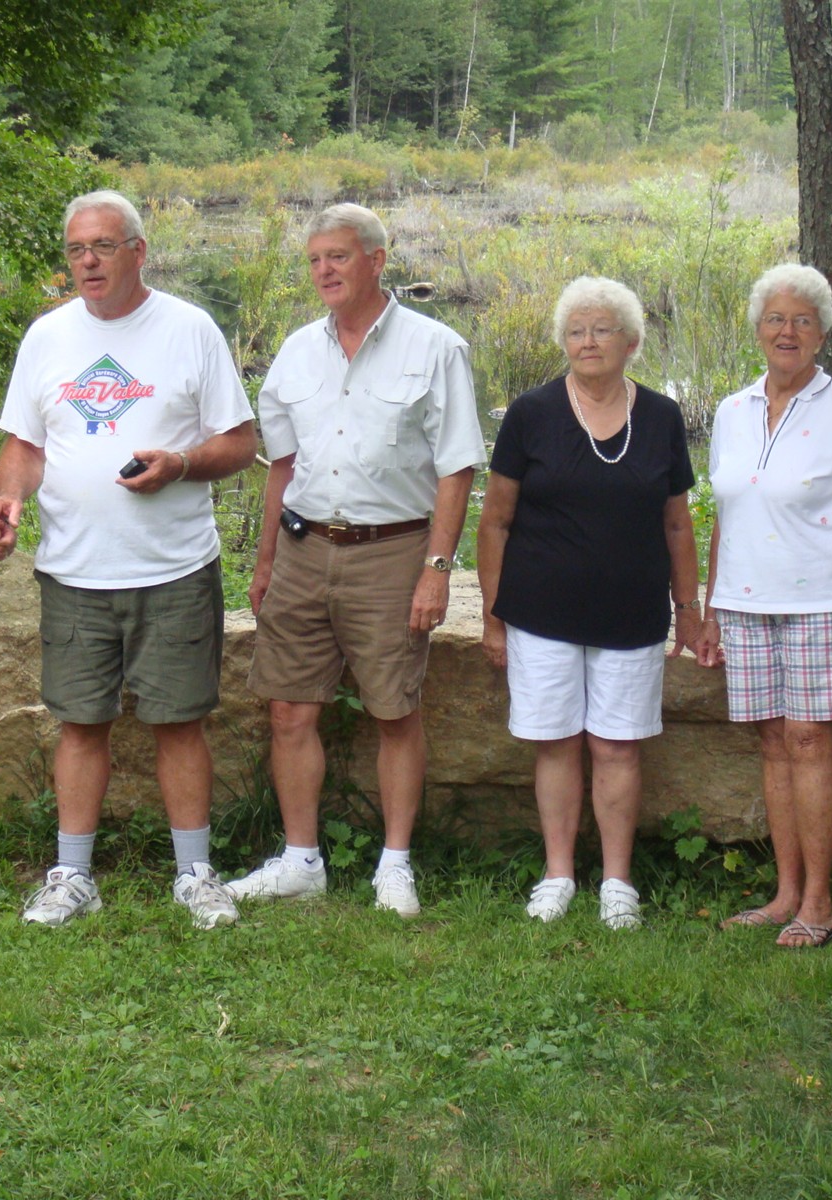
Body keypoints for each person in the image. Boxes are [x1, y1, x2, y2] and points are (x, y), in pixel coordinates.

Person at [0, 190, 257, 931]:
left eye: (103, 246)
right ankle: (72, 875)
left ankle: (196, 874)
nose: (88, 261)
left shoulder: (189, 329)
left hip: (174, 567)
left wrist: (181, 464)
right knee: (79, 724)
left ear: (139, 251)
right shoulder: (47, 336)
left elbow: (240, 442)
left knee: (180, 722)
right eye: (76, 250)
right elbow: (24, 446)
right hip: (73, 570)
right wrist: (8, 500)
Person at [230, 202, 484, 917]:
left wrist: (437, 570)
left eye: (338, 256)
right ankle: (301, 860)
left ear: (377, 259)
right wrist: (266, 561)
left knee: (394, 710)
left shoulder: (436, 348)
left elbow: (457, 467)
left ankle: (395, 865)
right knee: (289, 708)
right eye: (314, 260)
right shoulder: (296, 351)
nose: (324, 271)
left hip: (391, 552)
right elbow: (282, 464)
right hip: (304, 548)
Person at [477, 276, 700, 926]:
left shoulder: (661, 416)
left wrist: (687, 608)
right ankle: (558, 875)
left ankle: (618, 883)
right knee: (555, 743)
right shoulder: (531, 413)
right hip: (540, 612)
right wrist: (494, 615)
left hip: (632, 613)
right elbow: (494, 521)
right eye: (576, 331)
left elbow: (678, 524)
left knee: (618, 747)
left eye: (602, 329)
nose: (588, 341)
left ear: (631, 341)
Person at [694, 264, 832, 948]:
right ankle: (785, 894)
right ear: (758, 329)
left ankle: (819, 903)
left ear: (823, 333)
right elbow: (726, 517)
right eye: (775, 318)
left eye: (803, 320)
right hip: (745, 602)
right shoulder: (732, 411)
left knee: (807, 740)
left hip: (824, 604)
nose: (787, 331)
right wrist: (711, 608)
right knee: (772, 743)